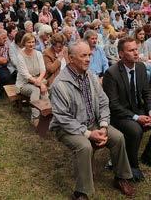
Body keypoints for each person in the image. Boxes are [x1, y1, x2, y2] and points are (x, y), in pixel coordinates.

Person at [49, 41, 135, 199]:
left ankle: (121, 177)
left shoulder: (91, 76)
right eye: (83, 55)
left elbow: (103, 102)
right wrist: (89, 134)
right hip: (67, 128)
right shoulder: (59, 85)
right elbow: (63, 118)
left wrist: (103, 125)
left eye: (89, 55)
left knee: (118, 137)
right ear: (71, 58)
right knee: (84, 146)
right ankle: (82, 191)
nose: (88, 59)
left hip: (93, 123)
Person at [103, 37, 151, 182]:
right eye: (131, 50)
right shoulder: (111, 73)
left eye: (136, 49)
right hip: (119, 115)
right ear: (121, 54)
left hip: (138, 109)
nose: (135, 53)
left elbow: (147, 93)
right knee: (135, 130)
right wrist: (137, 118)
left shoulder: (140, 67)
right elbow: (113, 105)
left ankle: (149, 157)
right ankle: (132, 166)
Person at [16, 33, 48, 125]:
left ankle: (46, 114)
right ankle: (35, 117)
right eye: (28, 42)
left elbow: (43, 70)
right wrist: (40, 84)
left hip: (38, 79)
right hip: (24, 83)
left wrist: (40, 82)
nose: (31, 44)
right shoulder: (20, 56)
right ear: (24, 43)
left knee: (44, 90)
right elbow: (26, 75)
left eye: (33, 42)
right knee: (36, 90)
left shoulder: (38, 53)